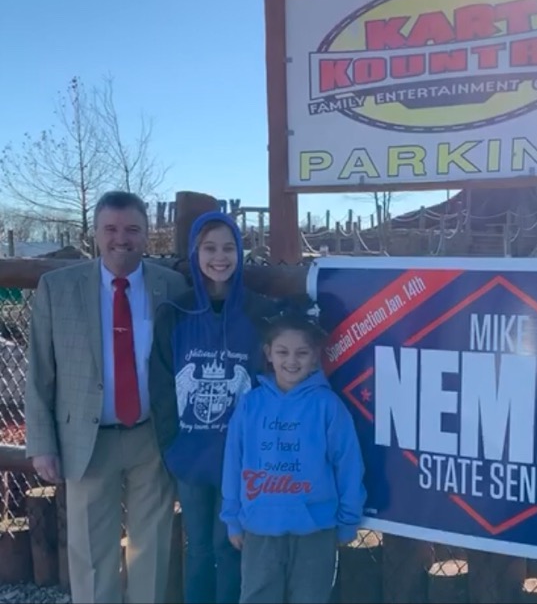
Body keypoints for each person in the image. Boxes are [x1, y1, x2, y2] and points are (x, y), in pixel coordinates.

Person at [24, 190, 189, 604]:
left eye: (133, 229)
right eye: (111, 229)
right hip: (86, 438)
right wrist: (41, 444)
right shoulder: (57, 288)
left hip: (152, 436)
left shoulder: (170, 285)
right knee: (91, 555)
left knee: (151, 548)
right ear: (95, 234)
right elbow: (40, 372)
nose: (122, 239)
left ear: (147, 234)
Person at [149, 211, 278, 604]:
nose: (219, 257)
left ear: (240, 252)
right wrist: (172, 445)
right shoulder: (175, 313)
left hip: (239, 457)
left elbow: (270, 382)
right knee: (198, 546)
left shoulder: (259, 313)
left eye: (228, 247)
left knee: (230, 545)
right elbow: (161, 385)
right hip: (190, 454)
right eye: (209, 248)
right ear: (194, 253)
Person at [220, 308, 366, 604]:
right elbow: (233, 462)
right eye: (282, 352)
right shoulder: (250, 405)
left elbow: (348, 464)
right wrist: (232, 517)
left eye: (301, 353)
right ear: (268, 354)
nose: (291, 361)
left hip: (315, 530)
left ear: (314, 356)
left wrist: (349, 519)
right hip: (260, 528)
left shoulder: (328, 406)